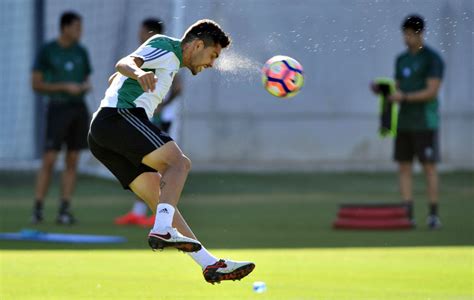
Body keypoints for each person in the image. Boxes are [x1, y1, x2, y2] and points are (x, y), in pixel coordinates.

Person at [88, 19, 255, 284]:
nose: (211, 63)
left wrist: (132, 76)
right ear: (198, 44)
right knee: (179, 164)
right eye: (212, 55)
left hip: (102, 136)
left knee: (163, 200)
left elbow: (116, 77)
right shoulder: (165, 46)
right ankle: (163, 229)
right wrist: (137, 72)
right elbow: (123, 64)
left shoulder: (170, 63)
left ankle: (209, 264)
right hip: (118, 117)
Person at [114, 18, 183, 227]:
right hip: (143, 117)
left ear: (149, 33)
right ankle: (142, 212)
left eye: (142, 31)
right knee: (147, 165)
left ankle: (160, 214)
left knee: (165, 166)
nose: (139, 35)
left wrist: (162, 104)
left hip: (160, 118)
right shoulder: (147, 55)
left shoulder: (162, 52)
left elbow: (178, 87)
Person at [380, 15, 444, 229]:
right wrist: (385, 90)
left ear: (420, 33)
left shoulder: (432, 59)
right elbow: (397, 87)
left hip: (425, 122)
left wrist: (405, 97)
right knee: (404, 168)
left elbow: (432, 91)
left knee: (429, 168)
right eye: (404, 34)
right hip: (404, 123)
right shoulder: (401, 59)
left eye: (410, 34)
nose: (407, 38)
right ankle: (407, 213)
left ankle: (433, 214)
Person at [31, 11, 92, 225]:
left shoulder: (81, 52)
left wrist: (83, 87)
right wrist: (64, 87)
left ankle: (64, 209)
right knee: (49, 159)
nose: (80, 32)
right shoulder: (48, 51)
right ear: (64, 28)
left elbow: (86, 80)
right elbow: (36, 84)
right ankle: (38, 207)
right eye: (76, 27)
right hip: (57, 109)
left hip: (78, 109)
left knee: (73, 159)